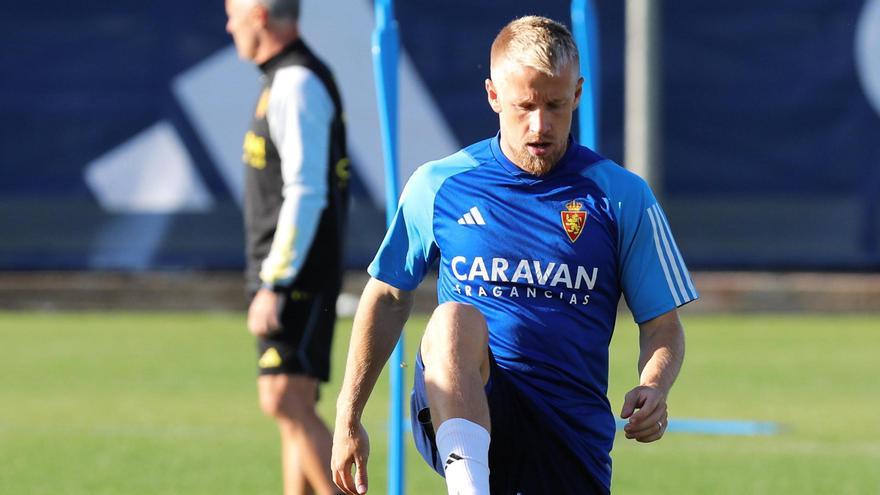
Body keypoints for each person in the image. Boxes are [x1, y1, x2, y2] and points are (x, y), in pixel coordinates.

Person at [331, 15, 696, 495]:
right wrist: (348, 415)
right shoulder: (440, 185)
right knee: (452, 321)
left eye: (555, 105)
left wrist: (654, 385)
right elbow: (387, 296)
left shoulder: (621, 196)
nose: (540, 125)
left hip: (568, 435)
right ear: (493, 96)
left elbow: (662, 323)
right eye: (524, 106)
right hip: (468, 404)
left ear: (578, 94)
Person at [225, 0, 349, 493]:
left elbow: (306, 190)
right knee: (292, 406)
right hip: (289, 273)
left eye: (233, 13)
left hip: (297, 276)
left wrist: (274, 281)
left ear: (259, 15)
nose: (228, 24)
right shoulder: (279, 79)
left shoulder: (296, 82)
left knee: (283, 399)